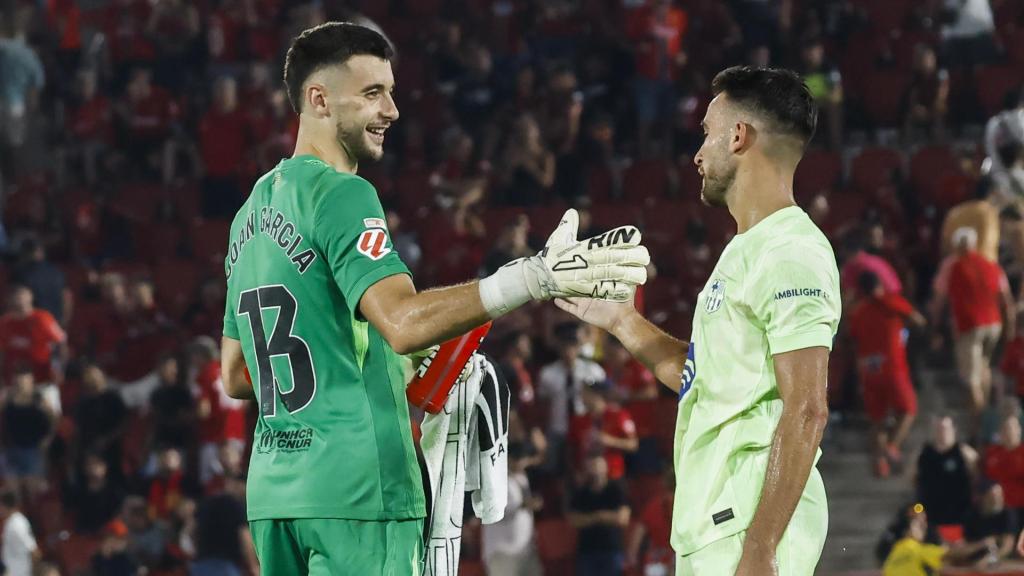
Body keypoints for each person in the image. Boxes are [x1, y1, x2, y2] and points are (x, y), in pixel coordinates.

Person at [219, 22, 648, 576]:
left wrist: (376, 362)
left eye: (390, 92)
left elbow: (236, 375)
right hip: (359, 491)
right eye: (372, 93)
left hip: (277, 495)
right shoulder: (343, 194)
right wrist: (531, 278)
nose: (392, 110)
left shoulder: (247, 214)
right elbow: (401, 321)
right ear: (318, 99)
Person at [556, 66, 839, 574]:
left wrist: (761, 548)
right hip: (719, 522)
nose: (698, 153)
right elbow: (703, 377)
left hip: (748, 525)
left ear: (738, 136)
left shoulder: (791, 251)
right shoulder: (745, 251)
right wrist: (621, 320)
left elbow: (807, 409)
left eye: (707, 133)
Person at [848, 272, 926, 478]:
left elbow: (852, 338)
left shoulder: (858, 312)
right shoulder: (890, 301)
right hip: (893, 368)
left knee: (877, 419)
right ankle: (891, 446)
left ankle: (879, 463)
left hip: (869, 370)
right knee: (908, 410)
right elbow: (917, 319)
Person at [946, 227, 1015, 433]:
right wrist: (1009, 327)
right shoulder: (991, 265)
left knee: (972, 378)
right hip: (994, 324)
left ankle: (980, 426)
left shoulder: (957, 267)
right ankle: (983, 413)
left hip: (971, 326)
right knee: (984, 367)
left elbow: (951, 300)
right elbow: (1006, 298)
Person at [883, 503, 992, 576]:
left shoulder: (891, 558)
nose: (922, 528)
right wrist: (982, 544)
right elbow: (954, 554)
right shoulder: (918, 550)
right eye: (917, 525)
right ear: (907, 531)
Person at [568, 455, 630, 576]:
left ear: (606, 468)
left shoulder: (616, 490)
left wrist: (592, 518)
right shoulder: (581, 493)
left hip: (611, 550)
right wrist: (600, 517)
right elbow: (574, 520)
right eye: (593, 466)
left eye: (599, 466)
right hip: (587, 551)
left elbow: (623, 518)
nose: (596, 470)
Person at [914, 415, 977, 527]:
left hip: (959, 513)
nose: (942, 432)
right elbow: (914, 478)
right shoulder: (924, 454)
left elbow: (976, 478)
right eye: (938, 429)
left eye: (945, 428)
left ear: (953, 430)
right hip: (931, 513)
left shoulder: (965, 453)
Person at [0, 489, 39, 576]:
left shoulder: (17, 524)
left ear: (4, 505)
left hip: (21, 572)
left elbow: (34, 551)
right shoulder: (10, 521)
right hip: (11, 571)